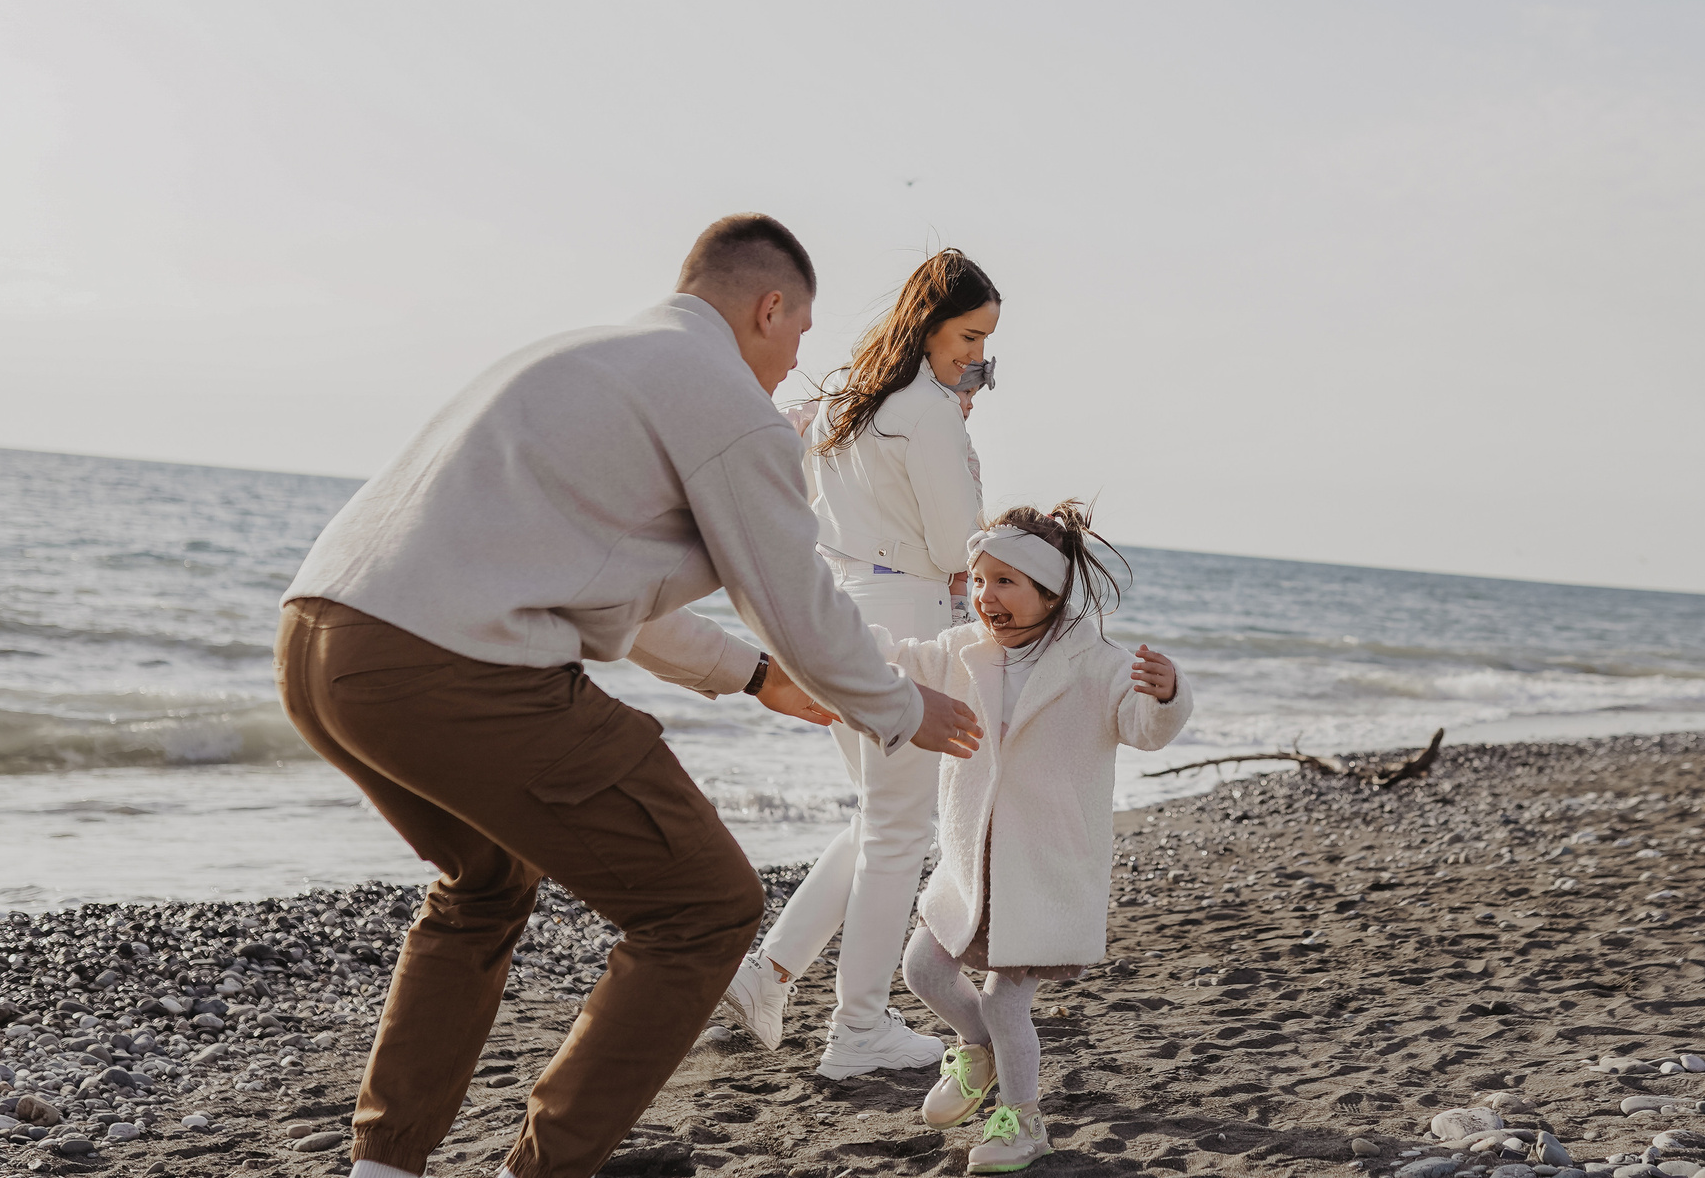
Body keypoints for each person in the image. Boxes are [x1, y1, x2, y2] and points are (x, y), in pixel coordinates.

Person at [275, 214, 984, 1178]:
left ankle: (383, 1166)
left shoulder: (594, 355)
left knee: (486, 883)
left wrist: (754, 677)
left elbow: (623, 598)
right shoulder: (722, 395)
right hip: (454, 664)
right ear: (768, 307)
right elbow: (791, 597)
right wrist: (901, 705)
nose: (793, 364)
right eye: (798, 334)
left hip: (322, 637)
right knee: (707, 905)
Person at [717, 249, 1003, 1078]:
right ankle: (860, 1027)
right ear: (931, 324)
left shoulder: (846, 400)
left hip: (840, 612)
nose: (977, 356)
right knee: (898, 828)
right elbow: (957, 545)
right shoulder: (929, 410)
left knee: (880, 817)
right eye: (969, 335)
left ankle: (768, 972)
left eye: (985, 341)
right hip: (909, 611)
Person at [893, 502, 1188, 1174]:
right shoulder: (964, 649)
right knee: (922, 968)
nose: (985, 596)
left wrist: (1167, 694)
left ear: (1050, 591)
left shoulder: (1095, 662)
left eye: (1004, 582)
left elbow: (1143, 726)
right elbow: (900, 661)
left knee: (1005, 997)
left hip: (1043, 867)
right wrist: (826, 643)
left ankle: (1024, 1119)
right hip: (972, 860)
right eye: (978, 579)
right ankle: (980, 1048)